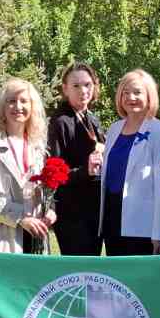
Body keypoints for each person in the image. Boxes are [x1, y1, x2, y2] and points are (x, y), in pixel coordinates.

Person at [0, 78, 53, 254]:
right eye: (11, 101)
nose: (18, 106)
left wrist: (50, 210)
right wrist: (19, 216)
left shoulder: (38, 146)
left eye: (24, 101)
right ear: (2, 107)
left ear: (32, 106)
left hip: (35, 236)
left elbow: (43, 190)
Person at [98, 70, 160, 255]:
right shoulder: (114, 129)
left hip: (142, 226)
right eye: (125, 93)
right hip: (112, 218)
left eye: (137, 92)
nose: (130, 97)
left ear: (149, 95)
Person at [47, 62, 105, 257]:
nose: (83, 91)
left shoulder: (92, 118)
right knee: (79, 268)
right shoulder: (60, 121)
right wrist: (84, 171)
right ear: (65, 89)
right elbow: (54, 174)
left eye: (87, 84)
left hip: (94, 209)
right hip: (72, 212)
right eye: (76, 86)